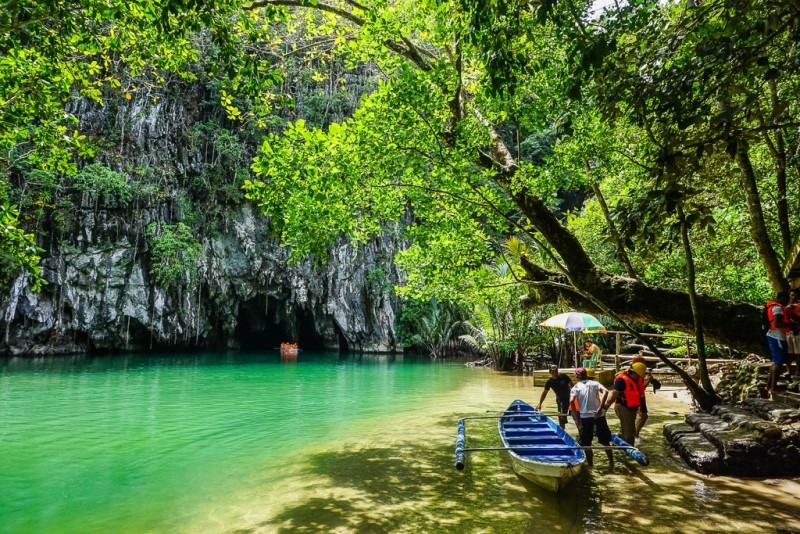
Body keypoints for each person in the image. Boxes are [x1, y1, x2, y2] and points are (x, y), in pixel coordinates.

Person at [570, 367, 614, 467]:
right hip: (599, 415)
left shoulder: (575, 387)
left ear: (577, 377)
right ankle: (611, 463)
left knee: (586, 443)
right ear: (587, 375)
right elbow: (606, 391)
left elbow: (571, 401)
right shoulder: (595, 384)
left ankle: (590, 465)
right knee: (606, 441)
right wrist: (600, 407)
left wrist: (577, 419)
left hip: (585, 417)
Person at [605, 362, 647, 445]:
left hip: (632, 408)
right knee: (629, 433)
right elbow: (613, 395)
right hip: (623, 407)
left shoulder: (637, 380)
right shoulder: (621, 380)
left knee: (626, 429)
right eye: (638, 375)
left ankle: (617, 443)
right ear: (633, 373)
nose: (639, 377)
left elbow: (640, 394)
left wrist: (643, 409)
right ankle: (629, 452)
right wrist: (605, 408)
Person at [765, 291, 791, 393]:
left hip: (774, 335)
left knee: (775, 362)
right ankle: (773, 388)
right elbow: (777, 323)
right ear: (782, 298)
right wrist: (791, 325)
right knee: (778, 363)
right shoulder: (778, 308)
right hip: (777, 337)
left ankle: (768, 386)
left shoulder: (772, 306)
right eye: (787, 298)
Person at [536, 365, 573, 429]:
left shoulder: (564, 376)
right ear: (550, 372)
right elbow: (544, 393)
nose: (555, 373)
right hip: (561, 401)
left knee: (576, 417)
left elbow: (572, 386)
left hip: (570, 399)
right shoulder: (549, 382)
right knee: (561, 419)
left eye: (556, 371)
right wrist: (540, 403)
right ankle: (562, 432)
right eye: (553, 372)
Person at [784, 289, 800, 377]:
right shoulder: (786, 306)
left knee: (798, 352)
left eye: (794, 295)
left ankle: (798, 370)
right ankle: (788, 370)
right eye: (791, 295)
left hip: (797, 331)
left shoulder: (798, 305)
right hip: (787, 332)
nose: (793, 297)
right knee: (789, 352)